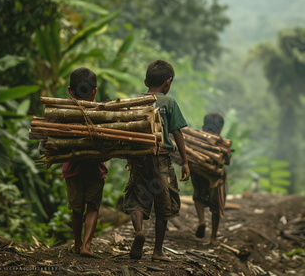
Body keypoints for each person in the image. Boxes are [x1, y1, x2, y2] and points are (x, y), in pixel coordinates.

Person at [123, 59, 190, 261]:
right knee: (163, 203)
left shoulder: (135, 102)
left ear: (145, 81)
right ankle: (157, 251)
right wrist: (185, 161)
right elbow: (177, 133)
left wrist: (130, 157)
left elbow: (126, 134)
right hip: (161, 160)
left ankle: (138, 232)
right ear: (168, 83)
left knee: (136, 197)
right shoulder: (169, 103)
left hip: (139, 159)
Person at [61, 67, 108, 257]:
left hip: (72, 168)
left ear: (70, 91)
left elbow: (46, 144)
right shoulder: (103, 113)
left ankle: (77, 243)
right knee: (93, 206)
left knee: (76, 209)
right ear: (94, 91)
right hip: (95, 168)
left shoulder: (62, 113)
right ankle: (86, 246)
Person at [191, 112, 227, 246]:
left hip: (197, 169)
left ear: (203, 126)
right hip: (215, 173)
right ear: (220, 129)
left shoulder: (194, 139)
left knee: (198, 196)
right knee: (216, 204)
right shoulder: (221, 143)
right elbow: (226, 159)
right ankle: (213, 238)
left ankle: (202, 220)